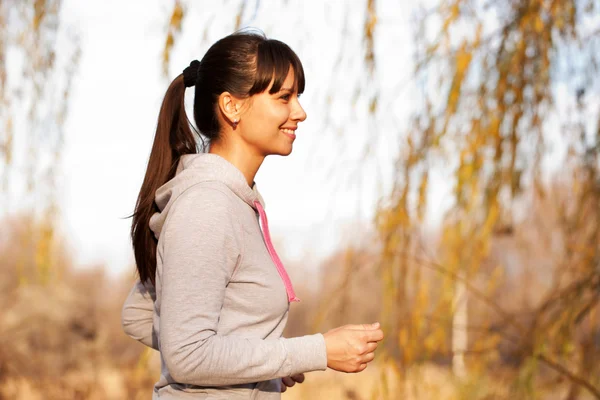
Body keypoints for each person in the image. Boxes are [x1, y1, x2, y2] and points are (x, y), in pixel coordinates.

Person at [121, 30, 384, 399]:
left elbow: (139, 314)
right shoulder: (207, 205)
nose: (300, 112)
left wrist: (259, 363)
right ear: (232, 106)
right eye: (283, 97)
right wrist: (313, 352)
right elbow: (187, 354)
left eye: (298, 97)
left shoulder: (232, 202)